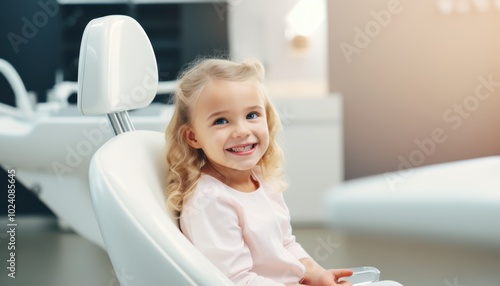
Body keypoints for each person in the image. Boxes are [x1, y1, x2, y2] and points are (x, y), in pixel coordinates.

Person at [165, 58, 353, 286]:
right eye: (221, 121)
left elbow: (285, 243)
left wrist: (315, 273)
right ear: (193, 136)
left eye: (252, 115)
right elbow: (235, 281)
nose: (242, 131)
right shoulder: (210, 201)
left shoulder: (259, 178)